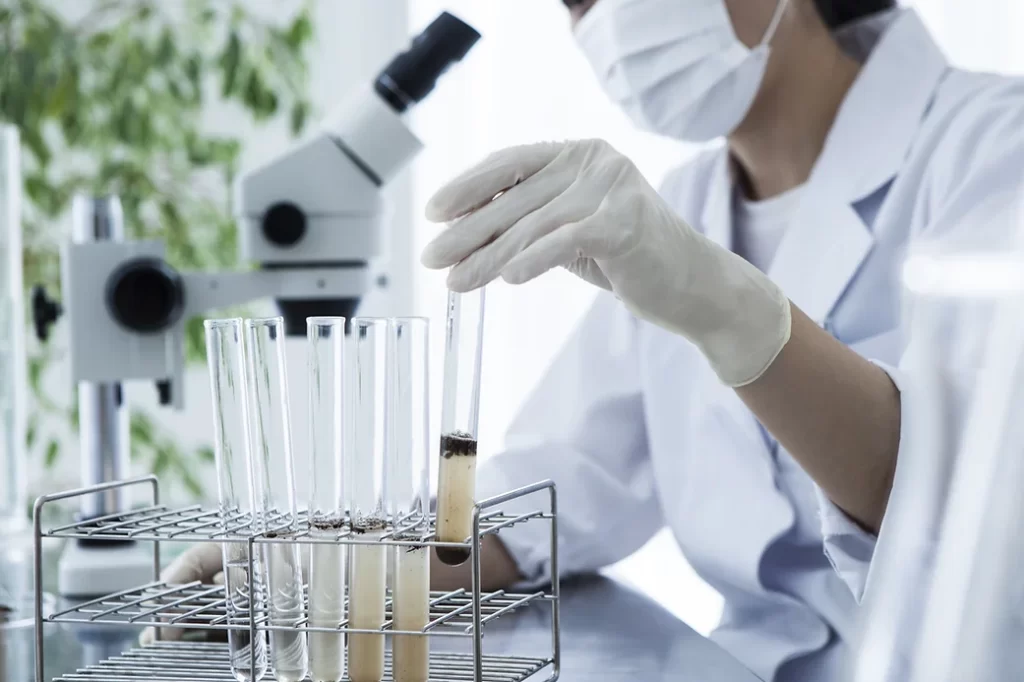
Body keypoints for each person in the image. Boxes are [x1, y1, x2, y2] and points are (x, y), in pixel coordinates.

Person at [157, 1, 1024, 679]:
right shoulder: (673, 213)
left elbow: (966, 507)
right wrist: (332, 570)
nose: (605, 19)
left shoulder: (994, 145)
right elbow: (543, 500)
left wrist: (726, 306)